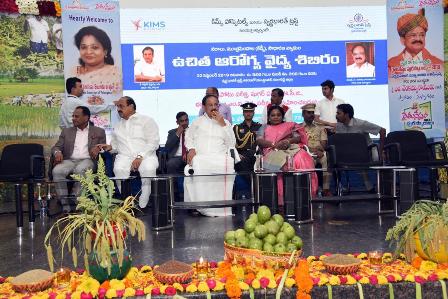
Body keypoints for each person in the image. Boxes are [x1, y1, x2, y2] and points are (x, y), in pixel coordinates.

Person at [98, 96, 159, 209]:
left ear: (131, 106)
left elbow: (153, 142)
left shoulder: (146, 120)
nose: (119, 109)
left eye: (121, 106)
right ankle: (127, 202)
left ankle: (143, 201)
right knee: (118, 169)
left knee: (148, 168)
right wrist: (109, 147)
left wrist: (140, 156)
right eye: (117, 107)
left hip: (146, 155)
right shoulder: (118, 126)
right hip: (125, 156)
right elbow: (116, 145)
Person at [184, 94, 236, 217]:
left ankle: (221, 207)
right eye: (210, 105)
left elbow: (231, 143)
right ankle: (200, 206)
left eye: (215, 105)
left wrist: (222, 124)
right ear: (204, 107)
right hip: (202, 156)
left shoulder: (225, 123)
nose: (213, 107)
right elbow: (188, 137)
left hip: (219, 156)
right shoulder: (197, 122)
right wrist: (191, 149)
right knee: (196, 163)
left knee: (226, 163)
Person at [256, 105, 318, 204]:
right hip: (272, 151)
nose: (276, 117)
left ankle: (304, 194)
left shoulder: (290, 125)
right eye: (273, 115)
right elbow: (259, 141)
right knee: (283, 161)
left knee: (302, 156)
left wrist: (287, 141)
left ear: (282, 116)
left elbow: (297, 137)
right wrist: (274, 144)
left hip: (289, 148)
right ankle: (282, 198)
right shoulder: (264, 127)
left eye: (278, 115)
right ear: (268, 117)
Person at [51, 106, 106, 212]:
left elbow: (103, 147)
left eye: (77, 116)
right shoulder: (66, 132)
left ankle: (77, 200)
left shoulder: (99, 131)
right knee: (57, 171)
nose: (73, 119)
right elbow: (56, 147)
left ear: (86, 118)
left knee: (81, 169)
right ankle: (65, 205)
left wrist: (98, 148)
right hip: (69, 160)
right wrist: (57, 152)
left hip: (88, 160)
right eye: (73, 116)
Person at [335, 103, 386, 192]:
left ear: (346, 115)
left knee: (377, 158)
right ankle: (340, 188)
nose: (336, 116)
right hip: (351, 152)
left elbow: (382, 131)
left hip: (368, 150)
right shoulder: (338, 126)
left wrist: (381, 150)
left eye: (338, 113)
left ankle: (383, 187)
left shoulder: (361, 124)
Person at [388, 8, 443, 74]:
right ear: (402, 40)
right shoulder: (390, 65)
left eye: (422, 35)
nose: (418, 39)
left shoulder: (438, 64)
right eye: (413, 35)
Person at [71, 26, 122, 95]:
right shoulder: (73, 72)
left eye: (94, 47)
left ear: (105, 51)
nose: (88, 52)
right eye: (84, 47)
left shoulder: (115, 73)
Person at [300, 103, 332, 196]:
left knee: (326, 157)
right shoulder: (299, 127)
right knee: (308, 160)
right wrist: (312, 150)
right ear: (303, 114)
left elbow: (324, 144)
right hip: (306, 152)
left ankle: (326, 189)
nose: (311, 115)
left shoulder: (320, 127)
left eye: (313, 112)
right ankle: (312, 189)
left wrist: (320, 150)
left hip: (320, 152)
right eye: (308, 112)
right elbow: (300, 144)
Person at [234, 102, 261, 172]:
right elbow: (232, 143)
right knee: (245, 177)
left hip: (257, 155)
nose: (248, 113)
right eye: (246, 111)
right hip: (243, 156)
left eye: (250, 111)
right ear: (243, 113)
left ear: (254, 113)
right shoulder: (237, 128)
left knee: (258, 177)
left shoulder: (259, 127)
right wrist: (237, 155)